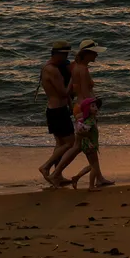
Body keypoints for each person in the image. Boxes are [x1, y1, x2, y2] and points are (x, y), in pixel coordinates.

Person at [50, 40, 113, 188]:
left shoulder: (76, 68)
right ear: (87, 54)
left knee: (80, 146)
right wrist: (91, 112)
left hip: (79, 107)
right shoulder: (83, 70)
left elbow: (73, 91)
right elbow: (85, 94)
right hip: (85, 108)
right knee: (87, 144)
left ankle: (98, 177)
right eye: (94, 52)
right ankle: (56, 173)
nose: (97, 54)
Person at [37, 42, 76, 185]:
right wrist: (74, 77)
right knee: (70, 143)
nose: (65, 58)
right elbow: (63, 92)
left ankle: (57, 175)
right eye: (64, 55)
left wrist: (70, 105)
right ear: (58, 54)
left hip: (56, 110)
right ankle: (46, 167)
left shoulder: (48, 67)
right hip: (57, 111)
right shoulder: (52, 70)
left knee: (60, 143)